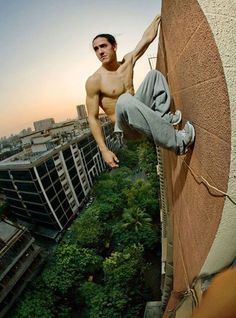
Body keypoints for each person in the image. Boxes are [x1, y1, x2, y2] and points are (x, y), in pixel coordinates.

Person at [85, 15, 195, 169]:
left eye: (103, 46)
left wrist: (159, 17)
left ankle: (164, 119)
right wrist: (104, 150)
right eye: (96, 49)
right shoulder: (95, 80)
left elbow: (146, 40)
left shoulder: (128, 61)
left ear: (114, 46)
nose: (100, 51)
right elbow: (92, 118)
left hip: (139, 115)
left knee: (154, 75)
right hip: (126, 129)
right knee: (124, 99)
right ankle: (179, 143)